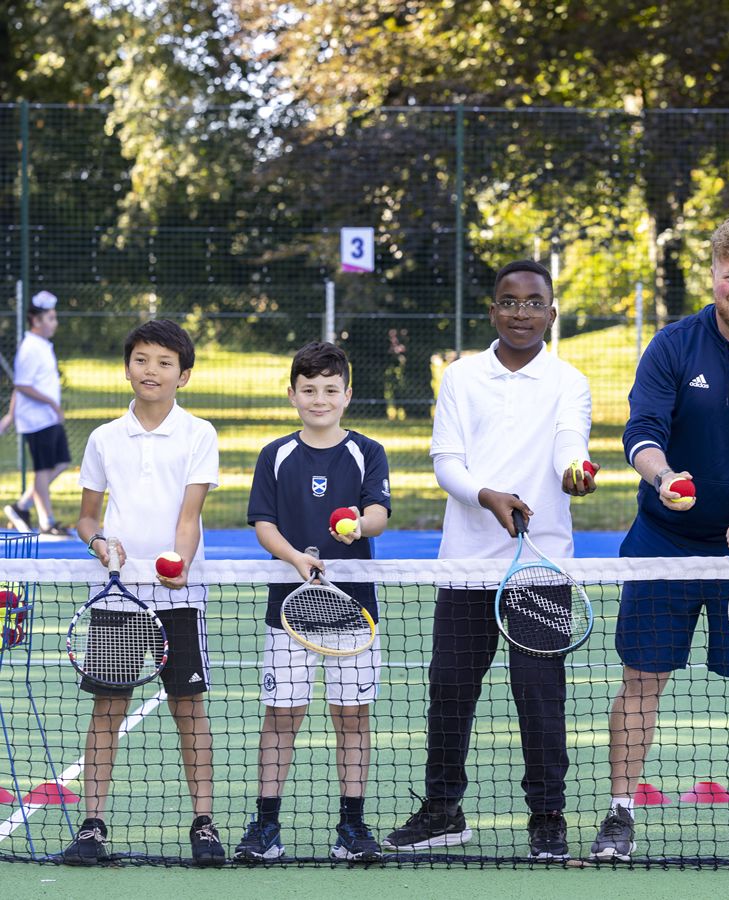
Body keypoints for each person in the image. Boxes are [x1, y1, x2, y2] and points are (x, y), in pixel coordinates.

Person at [588, 212, 729, 864]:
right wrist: (662, 478)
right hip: (663, 540)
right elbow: (641, 431)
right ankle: (618, 814)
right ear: (713, 276)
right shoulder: (674, 345)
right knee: (641, 680)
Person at [383, 259, 594, 862]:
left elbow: (568, 444)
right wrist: (487, 496)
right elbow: (446, 459)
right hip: (467, 564)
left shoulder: (569, 382)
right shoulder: (460, 378)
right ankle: (443, 809)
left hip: (541, 568)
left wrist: (572, 474)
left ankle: (547, 815)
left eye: (534, 303)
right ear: (492, 309)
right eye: (509, 301)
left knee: (538, 692)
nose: (521, 312)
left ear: (551, 313)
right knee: (449, 688)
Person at [65, 320, 224, 865]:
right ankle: (92, 826)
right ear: (127, 366)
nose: (150, 370)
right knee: (107, 709)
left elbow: (190, 516)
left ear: (184, 375)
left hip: (177, 597)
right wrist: (101, 544)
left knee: (189, 709)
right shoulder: (104, 438)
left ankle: (204, 823)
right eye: (140, 359)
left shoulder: (199, 433)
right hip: (116, 598)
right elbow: (86, 518)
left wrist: (177, 566)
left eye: (163, 362)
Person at [236, 341, 391, 863]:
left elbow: (377, 516)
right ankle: (266, 825)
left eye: (330, 389)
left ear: (347, 394)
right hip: (289, 610)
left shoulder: (366, 452)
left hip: (354, 612)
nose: (319, 399)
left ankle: (352, 825)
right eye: (308, 390)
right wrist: (296, 560)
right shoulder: (275, 455)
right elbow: (264, 524)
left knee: (351, 716)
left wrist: (356, 528)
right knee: (284, 714)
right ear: (292, 395)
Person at [2, 290, 72, 536]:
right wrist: (52, 404)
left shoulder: (42, 345)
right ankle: (47, 522)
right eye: (50, 318)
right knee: (42, 470)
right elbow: (22, 384)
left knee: (62, 462)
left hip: (48, 419)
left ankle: (21, 506)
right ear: (36, 320)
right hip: (37, 420)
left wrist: (11, 414)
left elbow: (22, 384)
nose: (55, 322)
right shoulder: (30, 347)